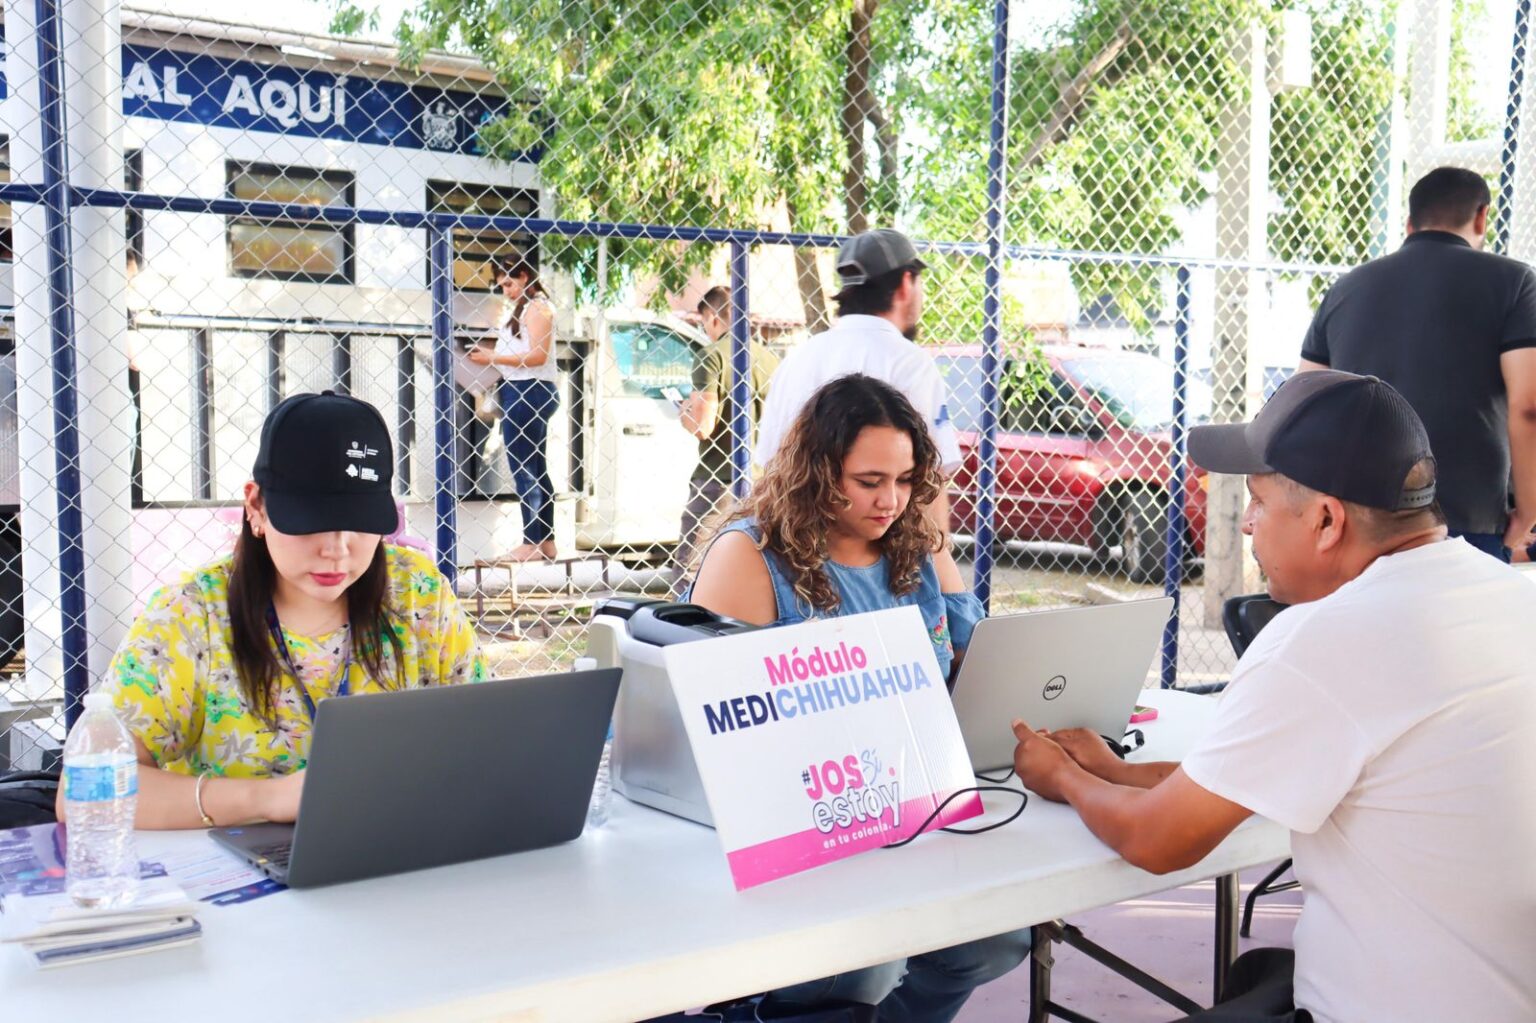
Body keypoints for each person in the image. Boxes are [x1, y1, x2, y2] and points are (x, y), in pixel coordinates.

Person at [1012, 370, 1536, 1023]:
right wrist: (1117, 771)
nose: (1251, 526)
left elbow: (1157, 839)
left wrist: (1060, 775)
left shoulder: (1324, 639)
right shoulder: (1510, 593)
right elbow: (1271, 776)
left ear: (1325, 519)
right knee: (1255, 975)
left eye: (1257, 502)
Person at [691, 374, 1029, 1022]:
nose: (892, 501)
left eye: (904, 480)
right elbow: (718, 734)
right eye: (869, 481)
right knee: (864, 960)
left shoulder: (918, 546)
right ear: (817, 471)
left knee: (999, 931)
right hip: (807, 826)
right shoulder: (752, 557)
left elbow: (978, 669)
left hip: (917, 813)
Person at [62, 392, 488, 831]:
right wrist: (267, 799)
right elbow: (83, 793)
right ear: (256, 507)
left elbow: (485, 737)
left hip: (397, 848)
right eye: (310, 521)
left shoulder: (416, 592)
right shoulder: (191, 614)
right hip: (238, 879)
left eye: (361, 522)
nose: (337, 550)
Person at [1299, 165, 1536, 561]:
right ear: (1482, 217)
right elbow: (1528, 406)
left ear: (1409, 223)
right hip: (1464, 516)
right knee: (1457, 624)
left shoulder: (1346, 288)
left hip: (1356, 517)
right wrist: (1528, 510)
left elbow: (1306, 398)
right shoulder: (1515, 283)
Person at [754, 228, 959, 533]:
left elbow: (769, 464)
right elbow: (930, 482)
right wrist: (939, 577)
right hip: (876, 557)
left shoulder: (798, 358)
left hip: (796, 543)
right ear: (906, 283)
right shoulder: (909, 362)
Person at [673, 285, 775, 584]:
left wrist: (685, 413)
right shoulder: (770, 360)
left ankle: (684, 628)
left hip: (719, 477)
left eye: (704, 322)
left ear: (714, 318)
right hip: (763, 479)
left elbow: (704, 426)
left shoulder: (711, 356)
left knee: (690, 567)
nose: (705, 329)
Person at [468, 257, 561, 562]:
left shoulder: (538, 307)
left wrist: (493, 357)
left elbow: (537, 356)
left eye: (509, 283)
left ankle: (531, 542)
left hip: (529, 391)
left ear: (524, 276)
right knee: (535, 467)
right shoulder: (527, 308)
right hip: (525, 390)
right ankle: (545, 541)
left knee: (524, 467)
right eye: (501, 285)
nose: (505, 291)